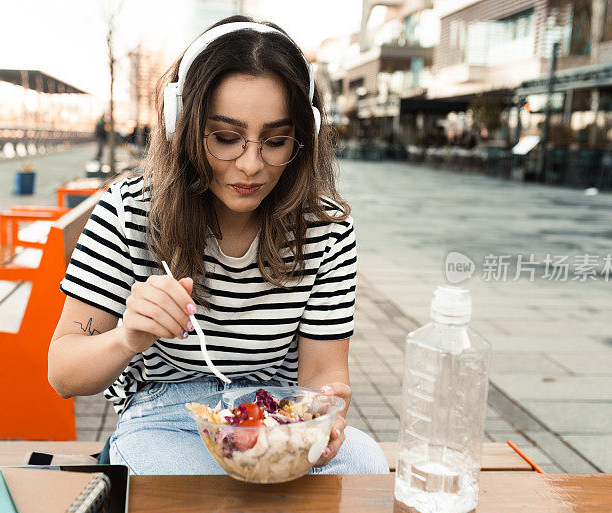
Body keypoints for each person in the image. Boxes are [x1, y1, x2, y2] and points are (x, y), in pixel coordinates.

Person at [48, 15, 389, 476]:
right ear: (181, 125)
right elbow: (63, 373)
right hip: (168, 419)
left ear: (302, 138)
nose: (250, 164)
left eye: (276, 140)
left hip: (277, 417)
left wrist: (326, 413)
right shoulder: (129, 211)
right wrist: (127, 335)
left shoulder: (323, 228)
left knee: (365, 467)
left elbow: (322, 376)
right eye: (226, 138)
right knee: (200, 497)